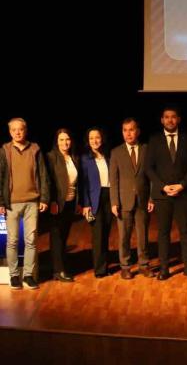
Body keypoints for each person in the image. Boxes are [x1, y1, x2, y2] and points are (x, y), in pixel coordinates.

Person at [145, 106, 187, 280]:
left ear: (178, 119)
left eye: (173, 117)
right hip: (163, 195)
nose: (170, 120)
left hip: (183, 194)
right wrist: (163, 186)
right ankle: (164, 269)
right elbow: (149, 168)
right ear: (162, 120)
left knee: (185, 232)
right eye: (167, 117)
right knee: (163, 233)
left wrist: (182, 185)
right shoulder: (154, 140)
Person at [1, 118, 50, 290]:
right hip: (11, 203)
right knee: (12, 241)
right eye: (14, 130)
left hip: (32, 202)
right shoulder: (5, 150)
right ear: (10, 132)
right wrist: (1, 202)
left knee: (31, 240)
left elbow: (43, 174)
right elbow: (0, 177)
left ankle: (28, 275)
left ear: (25, 130)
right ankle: (14, 276)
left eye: (20, 129)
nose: (17, 132)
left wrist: (44, 198)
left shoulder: (35, 149)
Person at [109, 119, 155, 279]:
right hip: (124, 202)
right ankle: (125, 266)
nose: (128, 133)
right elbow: (113, 179)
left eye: (131, 129)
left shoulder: (146, 149)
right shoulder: (116, 152)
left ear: (138, 131)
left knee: (143, 236)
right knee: (124, 237)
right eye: (125, 130)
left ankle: (144, 265)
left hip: (143, 200)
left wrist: (151, 198)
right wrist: (114, 202)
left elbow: (152, 177)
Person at [45, 129, 81, 282]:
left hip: (70, 202)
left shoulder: (74, 157)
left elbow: (78, 183)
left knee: (64, 236)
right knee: (57, 237)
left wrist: (78, 202)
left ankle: (61, 267)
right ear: (56, 141)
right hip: (57, 203)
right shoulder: (51, 157)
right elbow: (49, 181)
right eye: (61, 139)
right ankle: (58, 271)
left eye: (67, 139)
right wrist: (52, 201)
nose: (65, 142)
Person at [79, 128, 115, 278]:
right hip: (94, 199)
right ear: (88, 141)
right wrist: (86, 204)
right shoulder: (85, 159)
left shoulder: (108, 156)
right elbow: (83, 183)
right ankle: (100, 270)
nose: (94, 141)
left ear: (102, 139)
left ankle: (105, 266)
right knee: (98, 235)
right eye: (91, 138)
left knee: (106, 233)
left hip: (109, 196)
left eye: (97, 137)